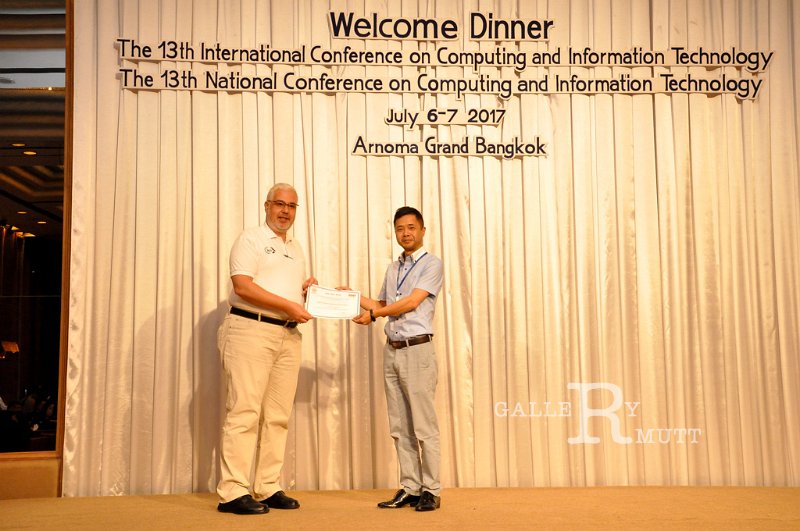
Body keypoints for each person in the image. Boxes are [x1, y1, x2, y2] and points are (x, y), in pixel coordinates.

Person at [216, 183, 316, 515]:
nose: (285, 211)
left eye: (291, 206)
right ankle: (232, 491)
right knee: (244, 411)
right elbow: (243, 287)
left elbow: (285, 292)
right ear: (266, 205)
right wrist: (288, 305)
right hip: (250, 329)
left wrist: (306, 293)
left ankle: (268, 485)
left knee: (277, 416)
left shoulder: (295, 248)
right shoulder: (251, 239)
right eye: (279, 204)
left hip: (287, 335)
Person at [351, 206, 444, 512]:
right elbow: (382, 303)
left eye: (411, 227)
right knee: (400, 426)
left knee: (424, 426)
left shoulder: (432, 264)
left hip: (417, 350)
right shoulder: (393, 268)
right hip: (392, 349)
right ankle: (411, 487)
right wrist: (351, 297)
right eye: (400, 229)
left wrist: (375, 314)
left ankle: (432, 489)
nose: (406, 233)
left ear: (422, 231)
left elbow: (411, 302)